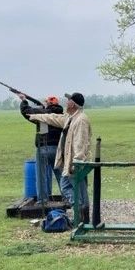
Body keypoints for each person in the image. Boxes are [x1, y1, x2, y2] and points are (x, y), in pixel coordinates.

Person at [29, 92, 92, 222]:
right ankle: (81, 213)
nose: (66, 102)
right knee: (73, 187)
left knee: (72, 187)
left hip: (75, 163)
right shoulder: (71, 117)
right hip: (69, 161)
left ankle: (81, 214)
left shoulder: (81, 120)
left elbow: (81, 142)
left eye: (68, 100)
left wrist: (77, 162)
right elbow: (54, 118)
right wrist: (36, 116)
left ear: (73, 104)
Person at [18, 94, 64, 203]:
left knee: (41, 176)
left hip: (43, 148)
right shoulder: (61, 115)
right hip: (57, 148)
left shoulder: (43, 114)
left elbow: (26, 112)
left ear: (48, 104)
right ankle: (67, 197)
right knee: (60, 175)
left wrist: (24, 100)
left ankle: (43, 200)